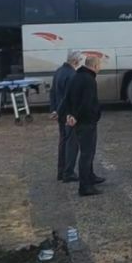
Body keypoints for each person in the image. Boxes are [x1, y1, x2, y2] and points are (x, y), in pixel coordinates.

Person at [65, 55, 106, 197]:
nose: (100, 67)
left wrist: (70, 114)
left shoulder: (77, 76)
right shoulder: (89, 80)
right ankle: (85, 186)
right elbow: (87, 102)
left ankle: (90, 176)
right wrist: (78, 116)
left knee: (88, 152)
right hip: (86, 122)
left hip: (81, 121)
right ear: (94, 66)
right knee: (87, 153)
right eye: (100, 65)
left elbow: (69, 97)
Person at [51, 50, 81, 182]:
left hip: (60, 112)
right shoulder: (72, 74)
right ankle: (68, 172)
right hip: (67, 113)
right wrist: (66, 112)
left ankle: (61, 171)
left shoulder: (58, 71)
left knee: (63, 141)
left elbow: (53, 92)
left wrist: (54, 110)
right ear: (75, 61)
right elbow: (69, 97)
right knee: (71, 142)